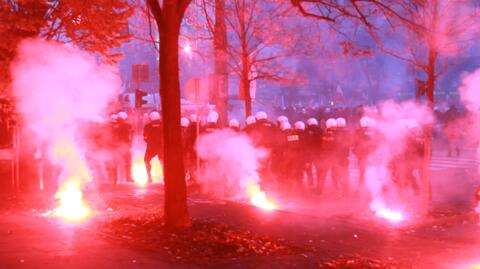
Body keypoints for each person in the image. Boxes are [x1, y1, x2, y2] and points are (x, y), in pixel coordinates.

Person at [317, 118, 338, 194]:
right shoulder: (335, 133)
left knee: (323, 174)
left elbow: (322, 145)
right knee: (335, 174)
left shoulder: (325, 133)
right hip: (334, 156)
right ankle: (337, 189)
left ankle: (319, 190)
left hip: (326, 156)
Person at [143, 111, 163, 183]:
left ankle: (149, 177)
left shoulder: (147, 126)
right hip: (161, 147)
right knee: (163, 162)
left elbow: (145, 138)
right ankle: (165, 177)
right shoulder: (163, 125)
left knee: (146, 160)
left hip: (151, 147)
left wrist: (149, 142)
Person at [333, 117, 350, 196]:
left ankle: (337, 188)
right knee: (345, 172)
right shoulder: (347, 132)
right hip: (345, 156)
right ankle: (346, 189)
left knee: (336, 172)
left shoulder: (334, 132)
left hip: (336, 155)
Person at [115, 111, 133, 183]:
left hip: (116, 146)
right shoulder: (127, 125)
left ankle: (115, 178)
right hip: (125, 146)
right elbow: (130, 136)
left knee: (115, 163)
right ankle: (128, 177)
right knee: (128, 162)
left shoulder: (115, 126)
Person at [304, 118, 322, 189]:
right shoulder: (320, 130)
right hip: (318, 152)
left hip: (308, 152)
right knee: (319, 169)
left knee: (308, 168)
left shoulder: (306, 130)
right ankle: (319, 183)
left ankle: (310, 179)